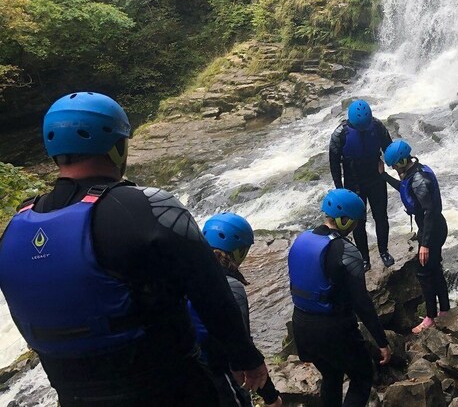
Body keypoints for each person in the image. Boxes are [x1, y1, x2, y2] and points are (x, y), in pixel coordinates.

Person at [0, 92, 270, 406]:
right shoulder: (149, 207)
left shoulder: (19, 224)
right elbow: (212, 291)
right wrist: (246, 357)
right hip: (169, 388)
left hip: (74, 395)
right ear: (117, 148)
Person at [288, 188, 391, 407]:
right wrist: (382, 342)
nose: (356, 226)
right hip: (333, 329)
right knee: (362, 376)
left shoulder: (301, 239)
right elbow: (361, 302)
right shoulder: (346, 251)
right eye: (355, 222)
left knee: (331, 375)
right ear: (345, 221)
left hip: (301, 325)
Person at [189, 213, 282, 407]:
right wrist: (271, 397)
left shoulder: (188, 272)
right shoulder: (231, 287)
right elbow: (241, 344)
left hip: (186, 368)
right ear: (239, 251)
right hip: (216, 373)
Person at [381, 140, 450, 333]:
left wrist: (425, 244)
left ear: (402, 161)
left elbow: (429, 212)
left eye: (394, 165)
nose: (394, 168)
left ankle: (430, 317)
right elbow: (404, 188)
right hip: (433, 227)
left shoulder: (419, 180)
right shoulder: (415, 171)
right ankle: (444, 310)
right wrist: (384, 176)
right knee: (434, 269)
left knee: (424, 273)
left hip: (432, 230)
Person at [329, 99, 394, 270]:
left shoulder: (377, 126)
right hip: (353, 183)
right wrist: (339, 189)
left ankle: (384, 251)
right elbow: (334, 164)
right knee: (358, 222)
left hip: (376, 179)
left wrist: (387, 162)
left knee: (381, 217)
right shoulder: (340, 134)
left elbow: (390, 149)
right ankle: (364, 258)